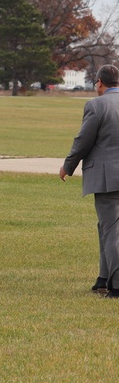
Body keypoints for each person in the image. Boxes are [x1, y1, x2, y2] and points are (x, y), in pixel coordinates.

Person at [59, 64, 119, 297]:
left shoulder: (96, 105)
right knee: (106, 227)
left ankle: (116, 286)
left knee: (112, 230)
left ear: (100, 82)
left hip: (108, 178)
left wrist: (68, 165)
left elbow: (83, 140)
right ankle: (103, 278)